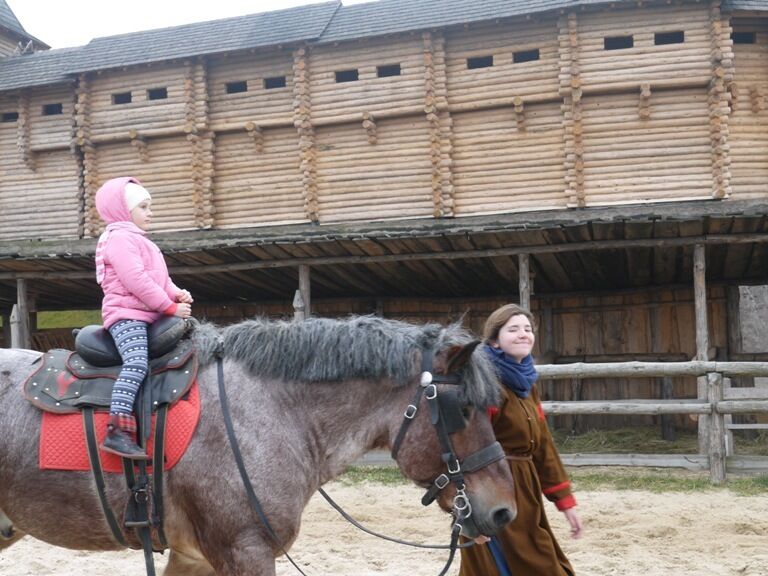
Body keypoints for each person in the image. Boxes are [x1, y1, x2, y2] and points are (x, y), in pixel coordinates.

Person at [460, 303, 583, 576]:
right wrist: (473, 517)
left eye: (527, 329)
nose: (523, 334)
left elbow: (542, 447)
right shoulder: (484, 384)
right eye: (513, 329)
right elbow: (466, 447)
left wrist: (565, 503)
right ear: (494, 340)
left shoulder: (527, 385)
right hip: (493, 492)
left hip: (526, 490)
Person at [94, 176, 193, 459]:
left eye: (150, 206)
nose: (151, 212)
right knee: (136, 363)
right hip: (127, 316)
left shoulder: (139, 240)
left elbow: (160, 279)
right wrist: (169, 308)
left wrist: (177, 294)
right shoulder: (119, 239)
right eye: (144, 207)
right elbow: (136, 280)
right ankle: (117, 431)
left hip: (148, 314)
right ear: (124, 211)